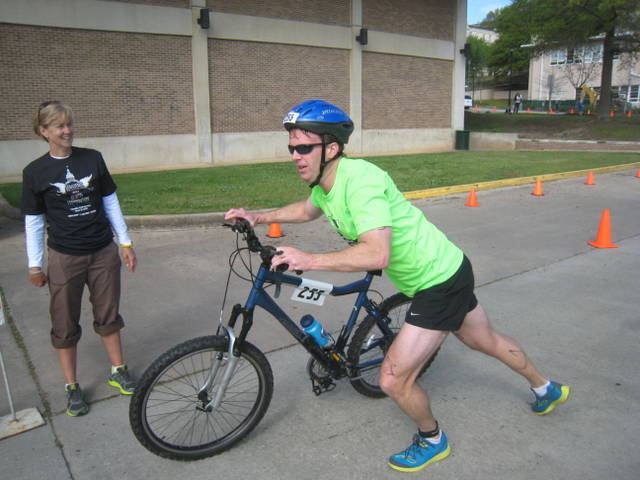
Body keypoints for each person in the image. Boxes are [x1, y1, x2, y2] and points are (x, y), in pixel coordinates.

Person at [224, 99, 570, 472]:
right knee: (482, 339)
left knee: (392, 380)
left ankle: (432, 439)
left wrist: (308, 259)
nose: (295, 156)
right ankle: (546, 388)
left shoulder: (361, 182)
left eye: (304, 147)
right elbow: (307, 210)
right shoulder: (326, 183)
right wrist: (258, 216)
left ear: (331, 148)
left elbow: (377, 254)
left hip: (438, 281)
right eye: (292, 147)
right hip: (447, 268)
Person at [22, 101, 138, 417]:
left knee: (108, 314)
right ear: (44, 131)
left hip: (102, 252)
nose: (67, 130)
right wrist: (35, 264)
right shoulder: (35, 172)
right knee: (64, 323)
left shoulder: (92, 159)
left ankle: (118, 370)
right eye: (59, 126)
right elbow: (34, 222)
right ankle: (72, 386)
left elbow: (110, 201)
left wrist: (125, 242)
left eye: (69, 124)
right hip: (64, 257)